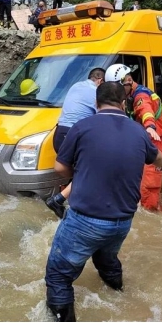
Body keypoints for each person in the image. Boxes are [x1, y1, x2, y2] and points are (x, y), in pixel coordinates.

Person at [44, 81, 162, 322]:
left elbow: (59, 167)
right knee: (106, 259)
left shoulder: (82, 127)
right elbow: (159, 159)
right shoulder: (138, 131)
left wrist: (79, 172)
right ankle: (119, 296)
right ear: (123, 103)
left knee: (59, 276)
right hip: (122, 222)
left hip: (85, 221)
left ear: (96, 103)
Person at [105, 64, 162, 211]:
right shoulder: (129, 95)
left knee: (149, 191)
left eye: (118, 89)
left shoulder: (141, 95)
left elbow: (145, 110)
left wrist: (150, 126)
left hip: (153, 142)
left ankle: (154, 218)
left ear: (128, 81)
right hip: (141, 142)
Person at [44, 68, 106, 219]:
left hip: (59, 134)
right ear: (100, 81)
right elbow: (104, 117)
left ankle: (69, 207)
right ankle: (59, 200)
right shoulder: (96, 92)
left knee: (81, 171)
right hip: (74, 135)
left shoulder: (75, 85)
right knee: (89, 171)